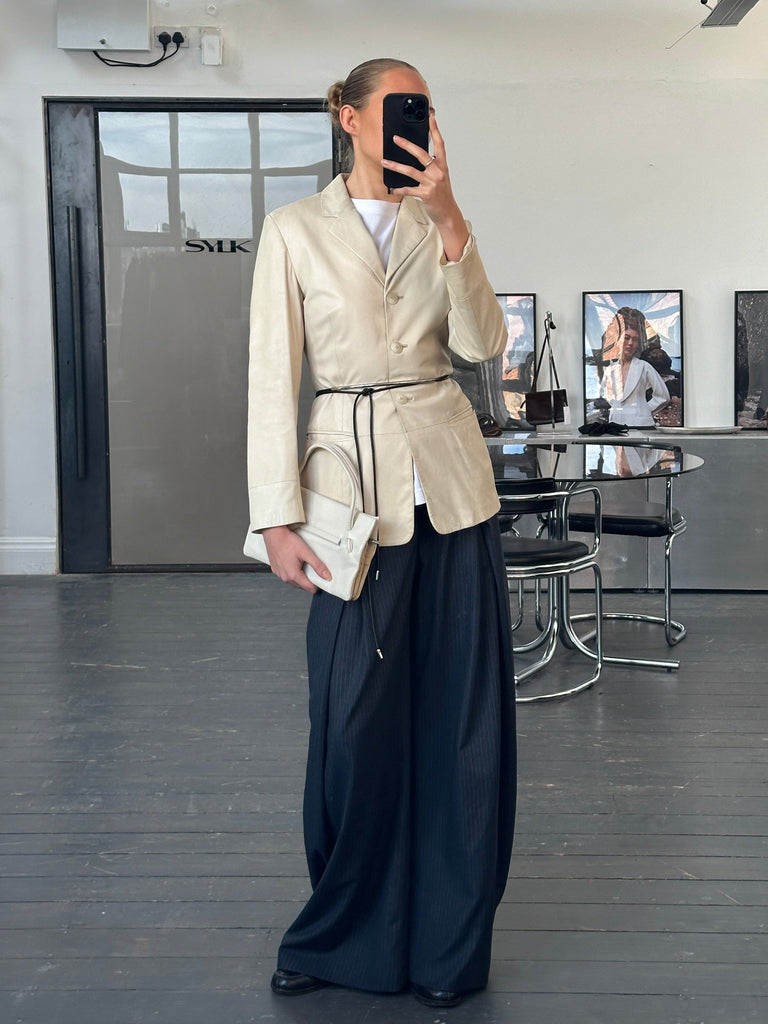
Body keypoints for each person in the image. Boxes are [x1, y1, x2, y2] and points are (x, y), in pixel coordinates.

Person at [246, 58, 516, 1010]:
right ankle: (340, 937)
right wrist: (274, 516)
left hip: (453, 493)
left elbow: (483, 348)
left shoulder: (437, 220)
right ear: (348, 115)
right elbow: (273, 377)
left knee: (461, 728)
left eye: (424, 106)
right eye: (400, 104)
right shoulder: (294, 229)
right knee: (352, 726)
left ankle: (448, 947)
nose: (416, 118)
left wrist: (450, 218)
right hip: (349, 504)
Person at [598, 308, 669, 426]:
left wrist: (644, 410)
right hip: (616, 424)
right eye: (626, 338)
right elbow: (605, 393)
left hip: (641, 424)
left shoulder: (644, 367)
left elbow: (663, 396)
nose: (630, 343)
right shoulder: (611, 369)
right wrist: (616, 408)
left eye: (635, 339)